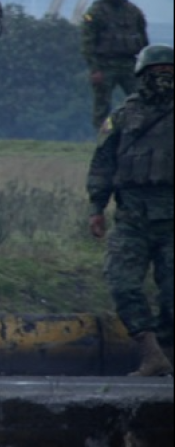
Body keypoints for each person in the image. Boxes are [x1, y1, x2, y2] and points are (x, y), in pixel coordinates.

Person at [87, 43, 172, 377]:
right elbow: (102, 162)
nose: (163, 77)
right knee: (122, 283)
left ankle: (166, 355)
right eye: (157, 72)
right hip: (132, 217)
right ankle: (151, 353)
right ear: (142, 75)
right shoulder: (123, 115)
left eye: (170, 71)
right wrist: (97, 206)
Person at [81, 0, 149, 133]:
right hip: (104, 65)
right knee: (102, 106)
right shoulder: (95, 12)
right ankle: (103, 137)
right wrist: (95, 69)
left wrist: (145, 66)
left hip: (129, 64)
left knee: (141, 99)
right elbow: (87, 43)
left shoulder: (134, 12)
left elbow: (143, 39)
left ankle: (137, 132)